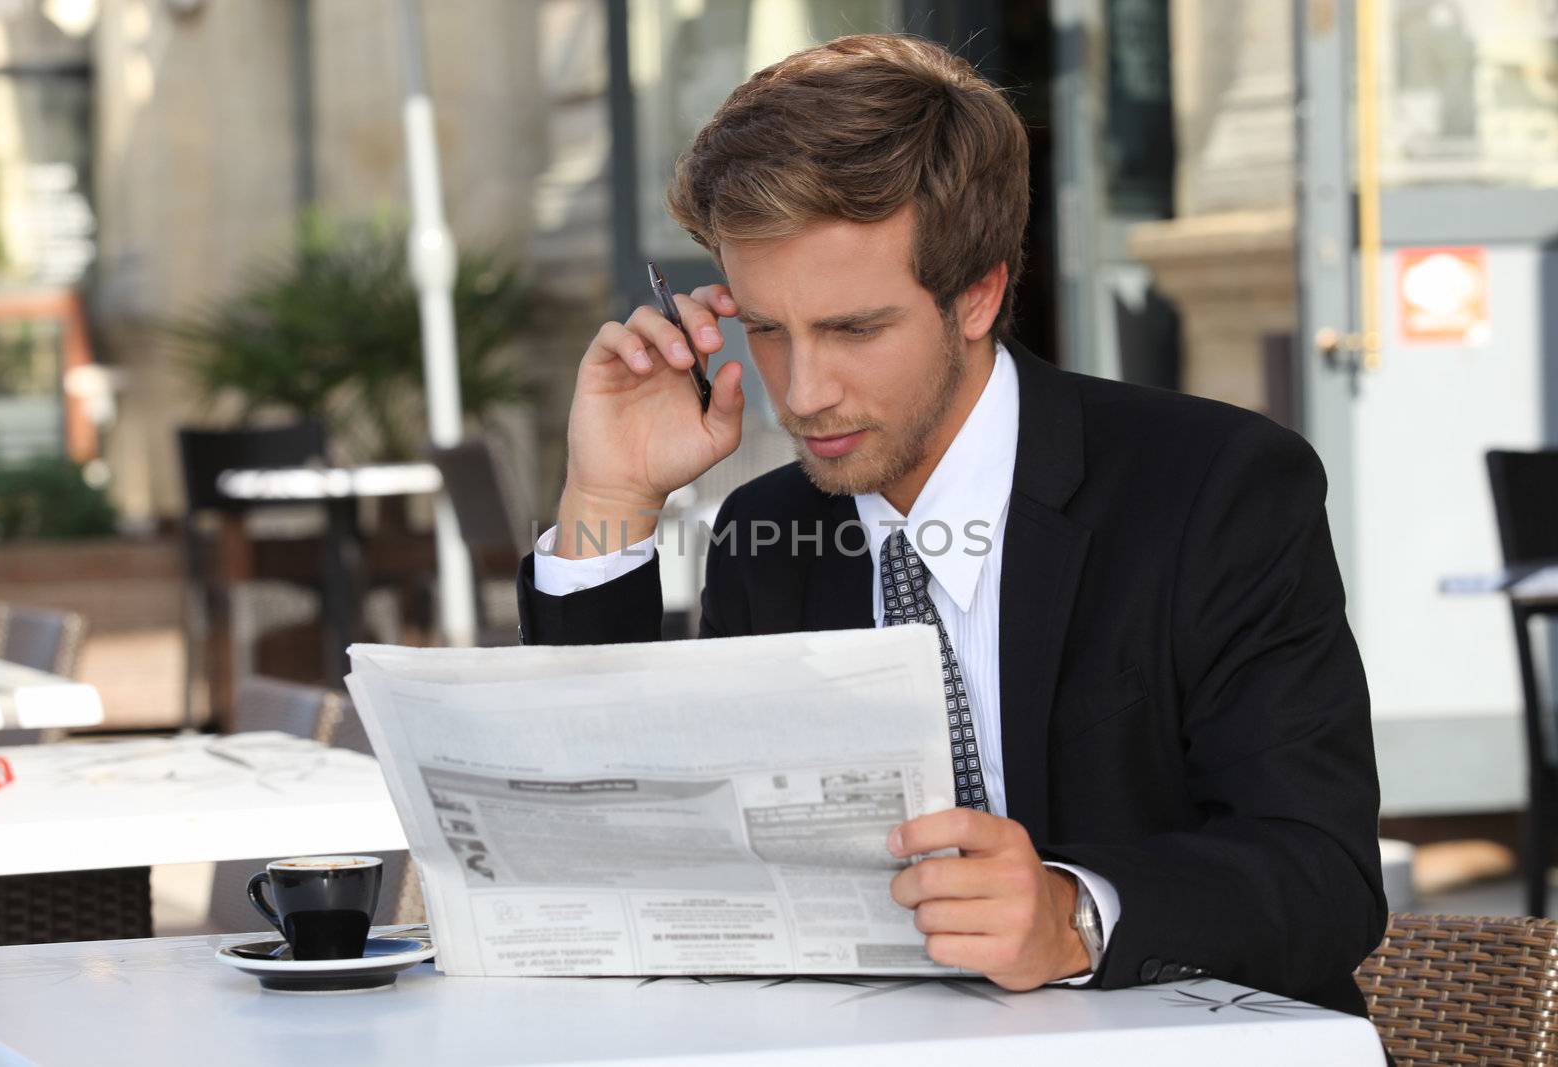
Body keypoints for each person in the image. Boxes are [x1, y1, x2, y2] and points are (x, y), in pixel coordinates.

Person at [516, 33, 1384, 1015]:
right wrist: (608, 502)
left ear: (978, 294)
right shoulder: (770, 532)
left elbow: (1323, 873)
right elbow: (600, 848)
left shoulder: (1210, 488)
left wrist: (1072, 913)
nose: (802, 393)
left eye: (853, 328)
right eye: (765, 327)